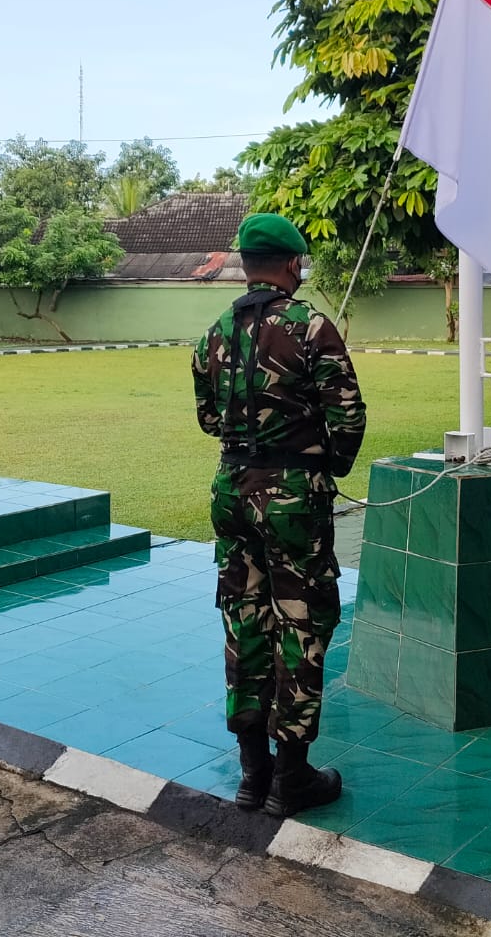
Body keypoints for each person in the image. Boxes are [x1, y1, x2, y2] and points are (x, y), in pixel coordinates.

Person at [192, 213, 366, 818]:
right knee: (302, 620)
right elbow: (347, 417)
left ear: (245, 263)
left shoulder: (215, 331)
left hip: (231, 488)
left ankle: (251, 773)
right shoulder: (310, 325)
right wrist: (323, 466)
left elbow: (209, 418)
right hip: (291, 496)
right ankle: (291, 778)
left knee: (244, 620)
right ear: (293, 264)